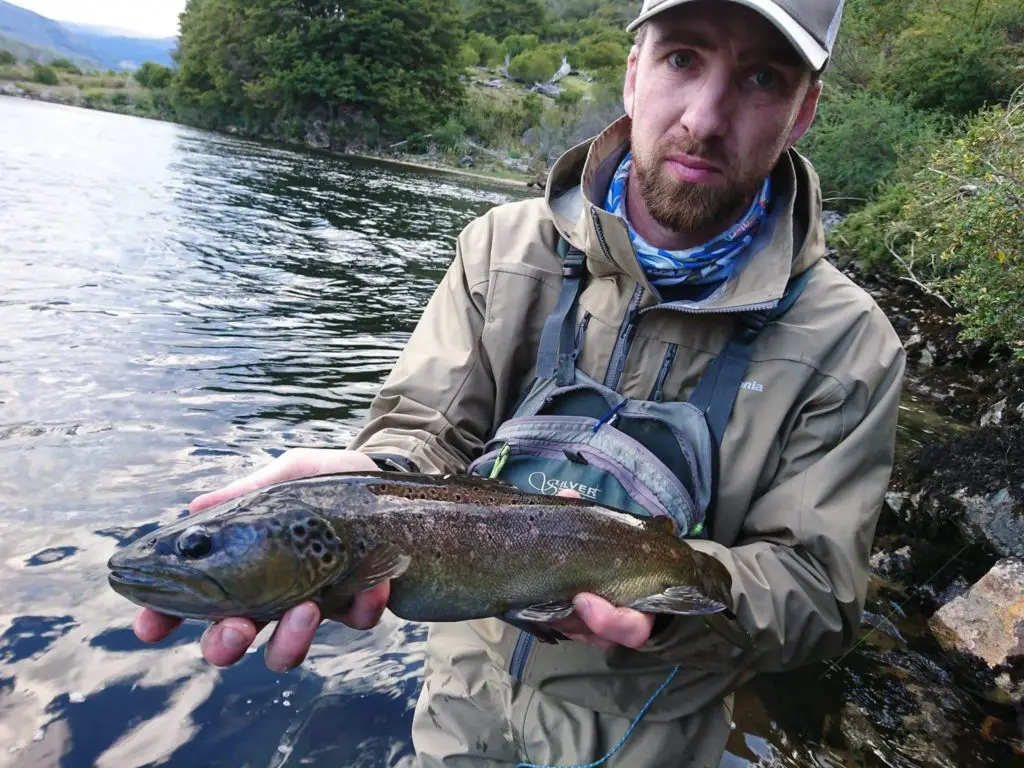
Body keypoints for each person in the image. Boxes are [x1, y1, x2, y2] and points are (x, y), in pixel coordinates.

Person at [135, 0, 906, 764]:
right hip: (460, 706)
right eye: (682, 59)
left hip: (654, 732)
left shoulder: (850, 344)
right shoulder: (500, 249)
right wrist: (377, 474)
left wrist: (672, 598)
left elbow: (822, 597)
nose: (704, 117)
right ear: (633, 71)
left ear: (803, 111)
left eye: (762, 77)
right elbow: (425, 434)